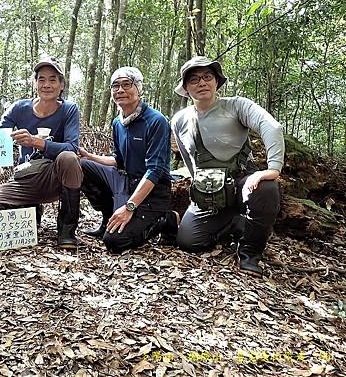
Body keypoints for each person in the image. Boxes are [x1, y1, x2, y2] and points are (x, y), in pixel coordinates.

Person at [171, 56, 284, 276]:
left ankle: (250, 253)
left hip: (242, 180)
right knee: (189, 241)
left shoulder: (237, 106)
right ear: (185, 87)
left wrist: (273, 168)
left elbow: (272, 127)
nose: (201, 83)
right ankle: (235, 223)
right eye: (194, 79)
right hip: (210, 188)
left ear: (216, 81)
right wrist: (201, 187)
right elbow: (188, 159)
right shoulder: (179, 119)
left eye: (207, 77)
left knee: (267, 189)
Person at [0, 56, 83, 248]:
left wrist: (36, 142)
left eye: (53, 79)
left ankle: (67, 229)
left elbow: (72, 148)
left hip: (55, 176)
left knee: (68, 157)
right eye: (41, 79)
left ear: (61, 85)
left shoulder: (69, 109)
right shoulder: (19, 108)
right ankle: (30, 211)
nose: (47, 84)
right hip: (26, 176)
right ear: (35, 83)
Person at [79, 67, 178, 254]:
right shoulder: (118, 123)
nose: (120, 90)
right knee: (83, 166)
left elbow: (155, 170)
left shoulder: (156, 121)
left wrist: (129, 207)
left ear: (138, 88)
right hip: (128, 184)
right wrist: (89, 156)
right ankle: (108, 218)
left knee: (114, 242)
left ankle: (167, 219)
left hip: (154, 191)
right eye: (115, 85)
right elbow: (119, 161)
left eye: (126, 84)